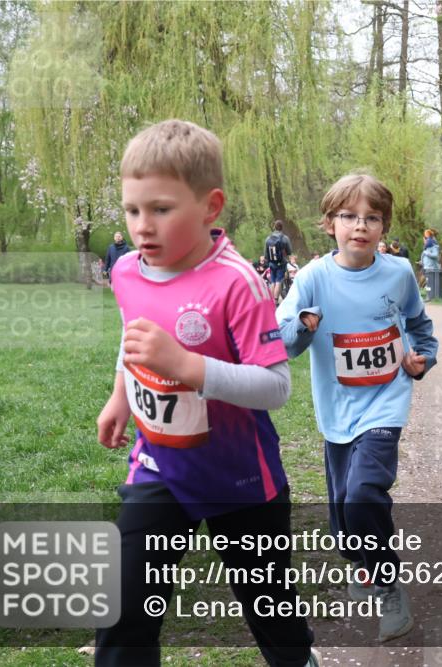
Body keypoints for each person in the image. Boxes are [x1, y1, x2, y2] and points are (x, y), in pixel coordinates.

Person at [95, 120, 318, 666]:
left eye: (162, 209)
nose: (142, 226)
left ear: (210, 207)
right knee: (124, 610)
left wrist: (190, 366)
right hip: (159, 467)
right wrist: (120, 395)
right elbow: (134, 338)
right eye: (132, 210)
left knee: (271, 609)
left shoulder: (237, 283)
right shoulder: (127, 271)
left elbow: (276, 387)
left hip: (241, 479)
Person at [278, 173, 438, 642]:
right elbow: (282, 341)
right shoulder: (312, 278)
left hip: (385, 401)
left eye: (372, 218)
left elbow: (420, 328)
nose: (360, 226)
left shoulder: (398, 273)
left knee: (365, 493)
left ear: (384, 226)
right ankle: (364, 563)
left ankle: (389, 589)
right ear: (330, 224)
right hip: (336, 410)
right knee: (345, 518)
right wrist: (305, 326)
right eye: (349, 217)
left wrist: (420, 359)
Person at [265, 219, 294, 304]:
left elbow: (266, 254)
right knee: (278, 282)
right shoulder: (284, 238)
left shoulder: (268, 238)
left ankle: (269, 301)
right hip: (281, 263)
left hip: (271, 263)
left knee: (273, 282)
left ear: (274, 227)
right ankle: (275, 300)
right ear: (282, 227)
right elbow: (289, 251)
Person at [421, 229, 442, 301]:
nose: (425, 241)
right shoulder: (427, 248)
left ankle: (429, 297)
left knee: (429, 282)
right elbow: (425, 256)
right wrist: (422, 261)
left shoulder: (434, 246)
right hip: (426, 266)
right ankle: (430, 296)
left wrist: (426, 253)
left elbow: (435, 255)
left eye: (425, 239)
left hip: (431, 267)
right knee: (429, 282)